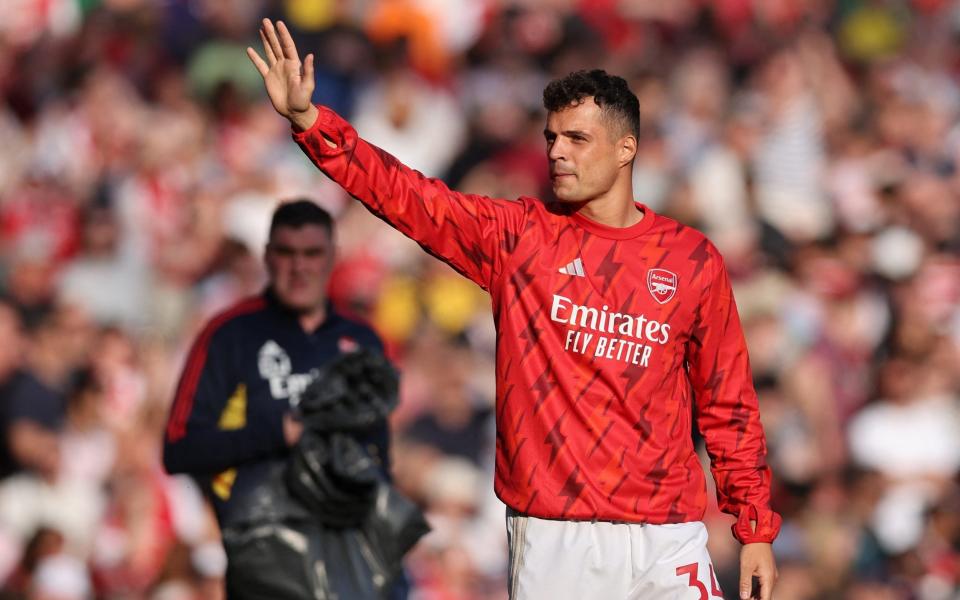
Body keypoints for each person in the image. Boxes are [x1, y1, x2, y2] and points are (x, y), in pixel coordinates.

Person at [248, 19, 781, 600]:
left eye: (577, 139)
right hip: (556, 538)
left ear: (626, 147)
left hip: (668, 536)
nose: (557, 153)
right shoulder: (520, 237)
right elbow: (408, 196)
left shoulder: (690, 260)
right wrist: (310, 122)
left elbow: (728, 403)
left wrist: (753, 529)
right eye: (551, 138)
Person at [162, 200, 401, 598]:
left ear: (333, 258)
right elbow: (179, 448)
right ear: (267, 256)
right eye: (286, 252)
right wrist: (277, 432)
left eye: (312, 253)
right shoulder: (230, 336)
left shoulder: (362, 340)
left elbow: (378, 451)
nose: (299, 267)